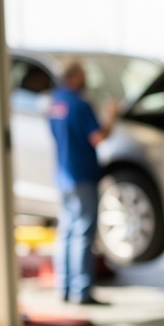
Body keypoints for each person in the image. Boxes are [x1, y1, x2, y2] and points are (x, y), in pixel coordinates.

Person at [48, 59, 117, 305]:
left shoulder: (55, 103)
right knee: (83, 232)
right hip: (83, 175)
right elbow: (98, 138)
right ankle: (82, 291)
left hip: (63, 176)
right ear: (75, 76)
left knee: (66, 231)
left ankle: (64, 287)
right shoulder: (79, 104)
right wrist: (111, 117)